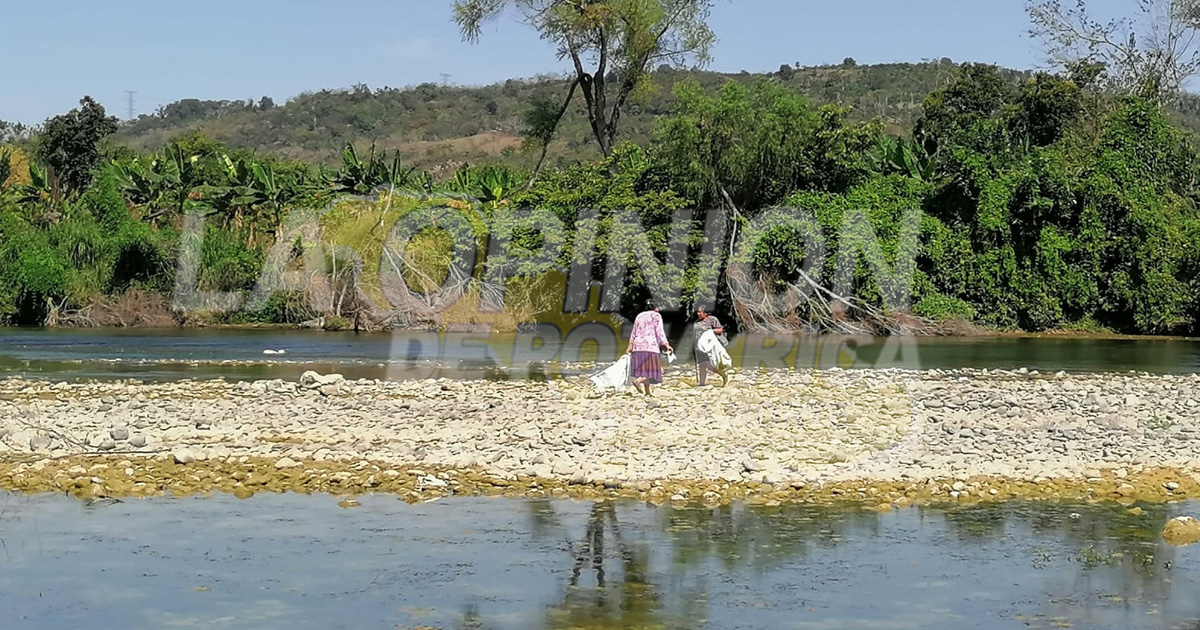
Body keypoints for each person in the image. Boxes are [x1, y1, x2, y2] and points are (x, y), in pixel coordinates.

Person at [625, 300, 673, 395]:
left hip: (638, 346)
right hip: (650, 346)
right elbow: (659, 331)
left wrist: (630, 346)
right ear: (655, 308)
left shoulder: (639, 316)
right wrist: (666, 344)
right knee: (656, 370)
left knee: (645, 370)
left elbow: (633, 332)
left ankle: (647, 392)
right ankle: (638, 381)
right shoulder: (656, 316)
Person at [693, 306, 729, 386]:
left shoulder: (712, 319)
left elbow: (720, 330)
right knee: (701, 365)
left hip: (709, 347)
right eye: (698, 312)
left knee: (709, 364)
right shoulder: (697, 322)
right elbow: (695, 335)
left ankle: (723, 374)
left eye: (700, 312)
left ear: (705, 313)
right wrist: (693, 345)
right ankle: (701, 384)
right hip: (699, 347)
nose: (698, 314)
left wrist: (710, 331)